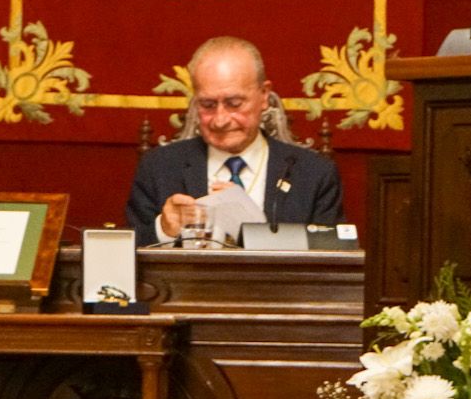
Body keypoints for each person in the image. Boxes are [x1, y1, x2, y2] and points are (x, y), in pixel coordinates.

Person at [125, 36, 343, 247]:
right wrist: (164, 230)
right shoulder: (159, 168)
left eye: (234, 103)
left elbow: (330, 264)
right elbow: (125, 256)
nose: (220, 120)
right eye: (208, 105)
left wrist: (254, 231)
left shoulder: (314, 174)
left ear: (264, 95)